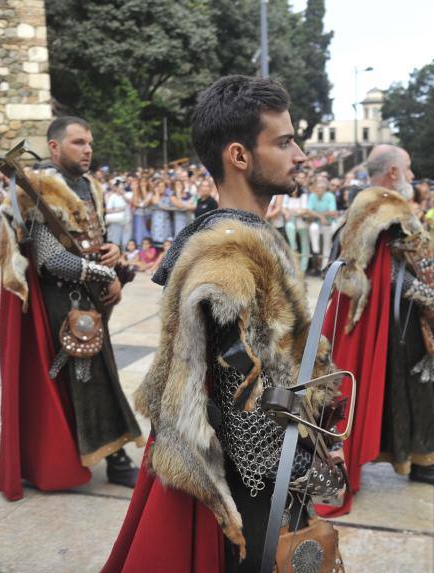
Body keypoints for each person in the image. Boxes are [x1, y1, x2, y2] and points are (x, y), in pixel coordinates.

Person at [103, 76, 347, 573]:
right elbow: (242, 396)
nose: (299, 153)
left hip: (270, 461)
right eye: (283, 142)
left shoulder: (239, 232)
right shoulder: (227, 252)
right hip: (250, 482)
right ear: (239, 155)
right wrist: (301, 469)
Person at [0, 116, 144, 502]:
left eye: (90, 142)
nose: (88, 149)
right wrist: (103, 273)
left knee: (96, 377)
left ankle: (103, 455)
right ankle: (115, 461)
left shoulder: (88, 186)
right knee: (89, 381)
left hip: (90, 298)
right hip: (65, 304)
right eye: (78, 142)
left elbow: (95, 239)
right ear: (56, 147)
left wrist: (113, 255)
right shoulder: (42, 187)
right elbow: (50, 260)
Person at [321, 144, 434, 522]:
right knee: (416, 384)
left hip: (388, 321)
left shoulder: (362, 206)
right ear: (391, 173)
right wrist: (428, 298)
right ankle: (422, 462)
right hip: (393, 322)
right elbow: (387, 272)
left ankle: (417, 459)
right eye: (409, 168)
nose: (413, 175)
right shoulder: (385, 210)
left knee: (405, 388)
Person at [307, 176, 338, 273]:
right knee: (313, 228)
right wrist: (321, 216)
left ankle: (325, 268)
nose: (318, 189)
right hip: (317, 222)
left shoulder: (330, 196)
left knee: (327, 245)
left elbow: (332, 212)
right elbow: (308, 211)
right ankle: (315, 251)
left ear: (324, 189)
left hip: (328, 224)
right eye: (317, 187)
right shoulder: (312, 196)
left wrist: (318, 214)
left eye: (321, 187)